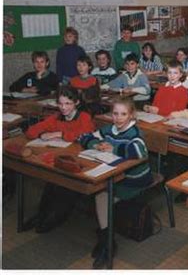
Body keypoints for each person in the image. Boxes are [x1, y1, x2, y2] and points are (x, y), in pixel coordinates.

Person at [80, 97, 152, 269]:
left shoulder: (134, 132)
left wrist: (114, 148)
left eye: (123, 114)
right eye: (115, 113)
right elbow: (84, 137)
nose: (118, 118)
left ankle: (106, 242)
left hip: (134, 179)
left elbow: (137, 151)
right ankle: (108, 242)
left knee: (101, 194)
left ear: (132, 115)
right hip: (114, 175)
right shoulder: (109, 129)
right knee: (98, 190)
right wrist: (96, 145)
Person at [23, 86, 95, 234]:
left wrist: (59, 134)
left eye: (68, 104)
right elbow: (31, 131)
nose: (63, 108)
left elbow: (85, 133)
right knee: (52, 180)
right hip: (61, 157)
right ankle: (41, 214)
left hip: (80, 160)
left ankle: (54, 217)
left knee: (65, 183)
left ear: (76, 103)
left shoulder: (84, 117)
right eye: (60, 104)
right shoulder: (56, 116)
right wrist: (42, 133)